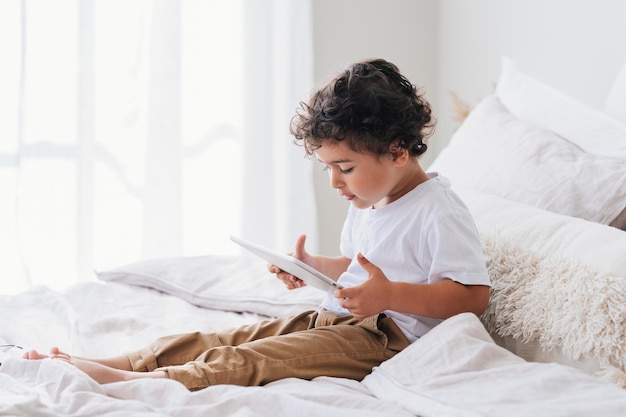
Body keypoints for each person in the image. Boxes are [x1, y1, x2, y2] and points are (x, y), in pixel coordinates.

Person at [23, 58, 491, 390]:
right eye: (327, 168)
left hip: (389, 338)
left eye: (344, 168)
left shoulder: (438, 210)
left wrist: (390, 296)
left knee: (256, 357)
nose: (334, 182)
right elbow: (359, 267)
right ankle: (120, 361)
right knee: (226, 337)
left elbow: (473, 296)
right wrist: (312, 267)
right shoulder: (369, 201)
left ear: (397, 150)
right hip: (344, 317)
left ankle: (140, 382)